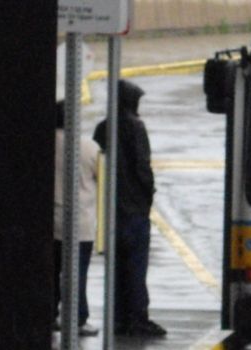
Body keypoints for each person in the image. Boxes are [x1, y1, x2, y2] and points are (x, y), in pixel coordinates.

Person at [93, 80, 167, 337]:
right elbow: (142, 167)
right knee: (136, 268)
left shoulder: (103, 128)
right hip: (134, 210)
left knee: (116, 268)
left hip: (110, 211)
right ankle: (137, 318)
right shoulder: (136, 127)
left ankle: (118, 317)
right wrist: (148, 196)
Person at [53, 100, 100, 336]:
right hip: (81, 222)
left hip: (52, 221)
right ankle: (78, 318)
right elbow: (103, 178)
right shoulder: (89, 147)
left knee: (51, 271)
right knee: (77, 273)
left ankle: (49, 313)